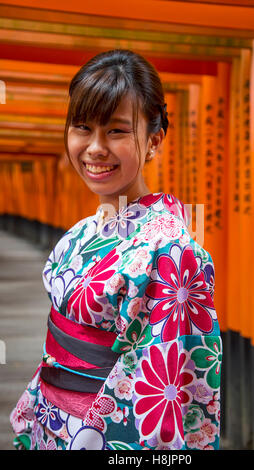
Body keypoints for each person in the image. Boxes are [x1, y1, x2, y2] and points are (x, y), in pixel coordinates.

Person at [10, 49, 222, 450]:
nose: (94, 148)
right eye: (82, 128)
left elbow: (168, 390)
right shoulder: (80, 233)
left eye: (117, 131)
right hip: (52, 422)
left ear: (154, 141)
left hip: (105, 436)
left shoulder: (173, 251)